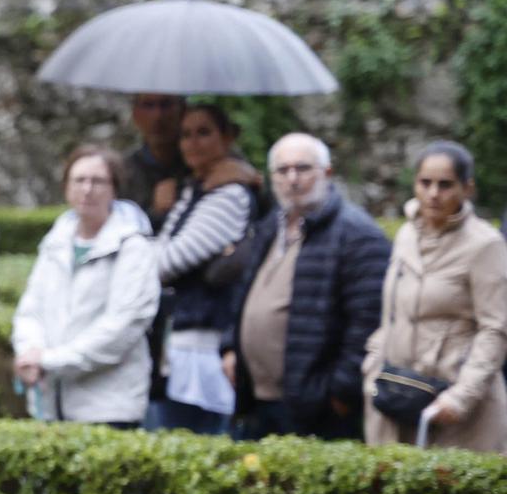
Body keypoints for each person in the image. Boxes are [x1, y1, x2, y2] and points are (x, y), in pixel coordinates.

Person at [219, 133, 390, 441]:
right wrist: (231, 346)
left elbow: (368, 324)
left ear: (327, 173)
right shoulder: (271, 225)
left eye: (303, 169)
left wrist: (339, 394)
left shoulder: (357, 234)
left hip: (315, 408)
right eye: (283, 171)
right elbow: (243, 293)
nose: (292, 179)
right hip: (257, 401)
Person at [363, 141, 507, 453]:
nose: (433, 193)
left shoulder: (485, 245)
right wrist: (372, 367)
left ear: (467, 189)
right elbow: (391, 315)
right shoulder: (406, 235)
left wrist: (462, 396)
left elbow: (495, 328)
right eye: (425, 183)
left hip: (456, 408)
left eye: (445, 185)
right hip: (398, 396)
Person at [11, 146, 159, 426]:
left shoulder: (134, 248)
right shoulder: (55, 243)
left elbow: (122, 327)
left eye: (98, 181)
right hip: (50, 406)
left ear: (114, 189)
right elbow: (31, 310)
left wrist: (51, 360)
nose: (87, 189)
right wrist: (30, 351)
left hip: (107, 408)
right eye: (79, 180)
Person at [148, 103, 264, 435]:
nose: (193, 143)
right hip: (180, 343)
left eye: (204, 132)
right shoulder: (191, 190)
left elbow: (165, 263)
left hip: (208, 348)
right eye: (185, 135)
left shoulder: (230, 195)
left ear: (226, 138)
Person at [120, 93, 187, 230]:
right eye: (148, 105)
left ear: (183, 110)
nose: (158, 115)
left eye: (166, 105)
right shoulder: (122, 171)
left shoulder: (205, 161)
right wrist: (155, 213)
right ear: (135, 114)